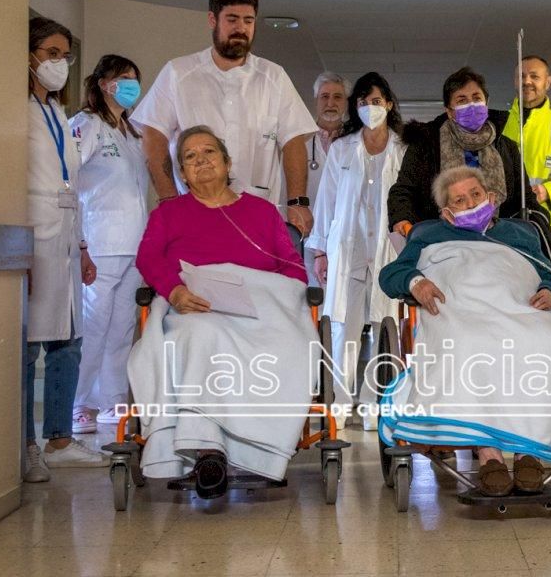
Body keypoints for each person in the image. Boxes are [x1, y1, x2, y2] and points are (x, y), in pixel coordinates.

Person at [378, 167, 551, 495]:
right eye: (460, 200)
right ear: (447, 214)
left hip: (521, 310)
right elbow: (392, 274)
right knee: (471, 345)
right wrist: (416, 282)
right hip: (461, 313)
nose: (471, 203)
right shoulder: (426, 234)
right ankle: (490, 456)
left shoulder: (522, 234)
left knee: (544, 344)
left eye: (476, 194)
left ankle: (527, 453)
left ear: (492, 198)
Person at [131, 125, 311, 499]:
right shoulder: (169, 215)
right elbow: (147, 258)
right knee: (202, 334)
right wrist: (176, 291)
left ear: (228, 162)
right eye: (190, 157)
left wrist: (263, 294)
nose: (201, 161)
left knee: (280, 343)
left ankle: (251, 448)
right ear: (182, 173)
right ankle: (209, 449)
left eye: (209, 152)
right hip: (194, 310)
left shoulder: (261, 212)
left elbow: (293, 270)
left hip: (259, 315)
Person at [130, 0, 318, 235]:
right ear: (212, 20)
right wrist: (169, 200)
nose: (241, 28)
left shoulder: (274, 77)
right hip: (194, 214)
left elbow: (293, 140)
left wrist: (298, 202)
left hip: (258, 213)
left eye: (248, 21)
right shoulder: (179, 73)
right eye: (232, 19)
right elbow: (153, 136)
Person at [23, 17, 109, 483]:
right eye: (51, 54)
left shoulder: (57, 112)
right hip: (32, 234)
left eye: (64, 55)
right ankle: (25, 446)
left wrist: (83, 246)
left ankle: (59, 439)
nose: (59, 63)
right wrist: (16, 248)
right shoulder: (15, 109)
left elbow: (70, 182)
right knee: (29, 346)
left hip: (66, 234)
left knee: (69, 341)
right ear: (28, 55)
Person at [387, 66, 551, 274]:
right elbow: (403, 190)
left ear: (487, 102)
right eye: (462, 100)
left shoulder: (506, 147)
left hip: (501, 248)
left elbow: (524, 198)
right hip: (442, 249)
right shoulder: (425, 145)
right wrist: (402, 220)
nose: (471, 105)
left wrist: (535, 226)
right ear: (450, 111)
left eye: (477, 97)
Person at [306, 72, 405, 431]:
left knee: (383, 324)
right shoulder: (343, 148)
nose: (369, 108)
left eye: (376, 101)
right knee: (344, 326)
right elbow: (327, 201)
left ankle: (372, 404)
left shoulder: (403, 148)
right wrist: (320, 252)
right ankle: (339, 402)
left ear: (389, 105)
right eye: (363, 102)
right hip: (347, 247)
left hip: (387, 250)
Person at [69, 54, 147, 433]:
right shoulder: (86, 126)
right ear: (103, 83)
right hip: (99, 243)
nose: (131, 85)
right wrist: (80, 243)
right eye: (123, 78)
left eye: (135, 78)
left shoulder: (131, 134)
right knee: (93, 327)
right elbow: (68, 179)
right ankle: (80, 402)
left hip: (133, 245)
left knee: (121, 328)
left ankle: (112, 400)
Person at [502, 55, 551, 246]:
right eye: (521, 76)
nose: (526, 81)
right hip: (508, 231)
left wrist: (548, 191)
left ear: (548, 82)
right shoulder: (500, 126)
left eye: (534, 76)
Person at [303, 71, 351, 287]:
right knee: (312, 299)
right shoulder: (300, 142)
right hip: (308, 235)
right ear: (316, 101)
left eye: (338, 97)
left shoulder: (356, 143)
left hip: (346, 235)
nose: (330, 102)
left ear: (347, 102)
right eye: (324, 96)